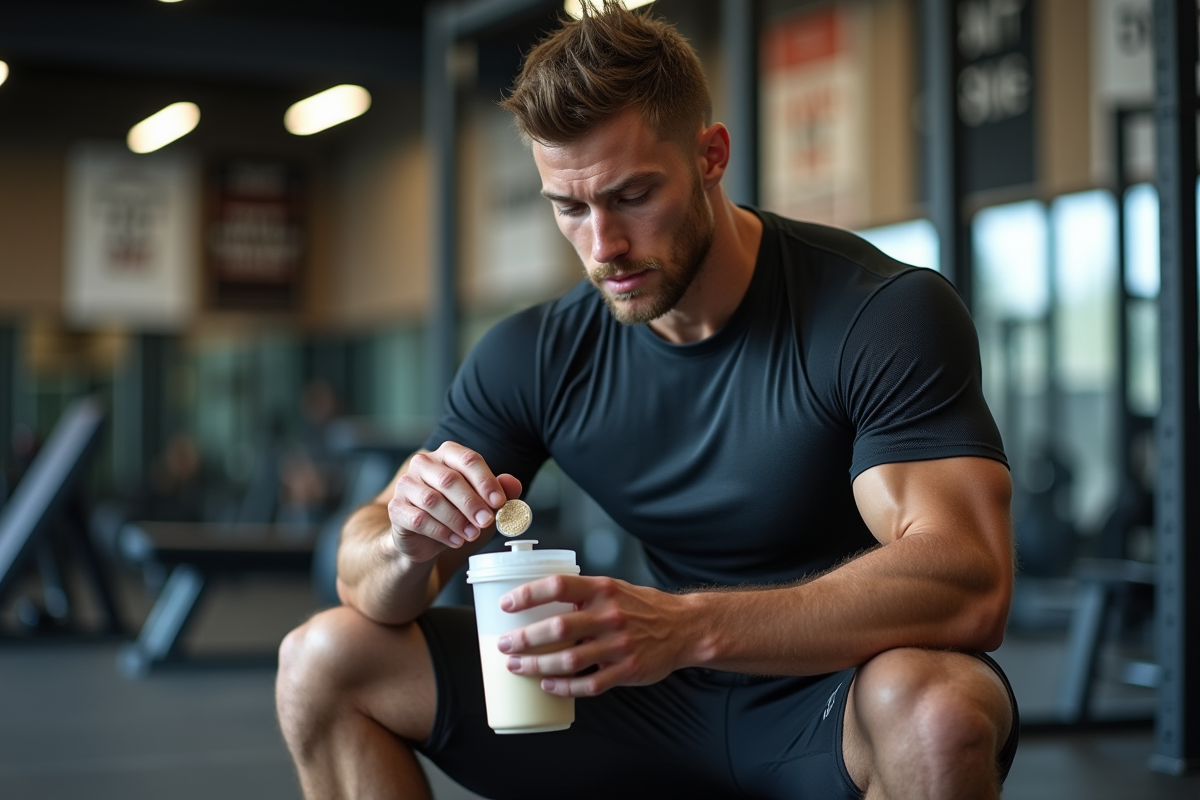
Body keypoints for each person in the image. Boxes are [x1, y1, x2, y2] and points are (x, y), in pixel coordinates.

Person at [275, 3, 1017, 798]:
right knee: (325, 659)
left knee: (939, 708)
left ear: (711, 156)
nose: (604, 245)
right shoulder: (537, 354)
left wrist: (690, 628)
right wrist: (406, 545)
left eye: (632, 195)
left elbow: (969, 578)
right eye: (569, 207)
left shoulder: (874, 313)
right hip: (644, 699)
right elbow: (363, 576)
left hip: (829, 698)